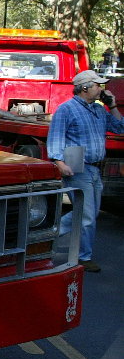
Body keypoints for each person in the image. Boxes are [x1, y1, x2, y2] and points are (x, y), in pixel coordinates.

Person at [47, 69, 124, 272]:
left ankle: (47, 233)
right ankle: (84, 256)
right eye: (98, 85)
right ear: (84, 88)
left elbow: (120, 128)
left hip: (95, 169)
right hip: (78, 168)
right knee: (88, 216)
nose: (101, 89)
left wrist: (112, 105)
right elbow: (56, 136)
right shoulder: (67, 109)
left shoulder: (99, 110)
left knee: (87, 213)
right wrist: (59, 162)